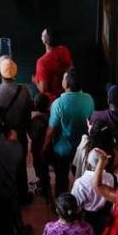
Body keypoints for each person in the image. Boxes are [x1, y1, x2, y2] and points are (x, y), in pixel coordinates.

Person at [44, 68, 95, 196]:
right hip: (82, 148)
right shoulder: (89, 99)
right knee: (80, 177)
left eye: (63, 79)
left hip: (62, 150)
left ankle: (61, 206)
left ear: (66, 84)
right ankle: (79, 201)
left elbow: (51, 131)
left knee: (61, 178)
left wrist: (44, 146)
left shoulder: (58, 104)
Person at [0, 56, 32, 160]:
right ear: (15, 72)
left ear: (0, 74)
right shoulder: (25, 90)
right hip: (20, 136)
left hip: (2, 137)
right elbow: (28, 116)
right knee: (21, 169)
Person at [33, 28, 74, 102]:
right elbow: (71, 70)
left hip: (51, 102)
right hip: (66, 97)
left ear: (45, 41)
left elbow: (43, 89)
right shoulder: (64, 50)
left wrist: (35, 80)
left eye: (42, 35)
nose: (41, 36)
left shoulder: (41, 62)